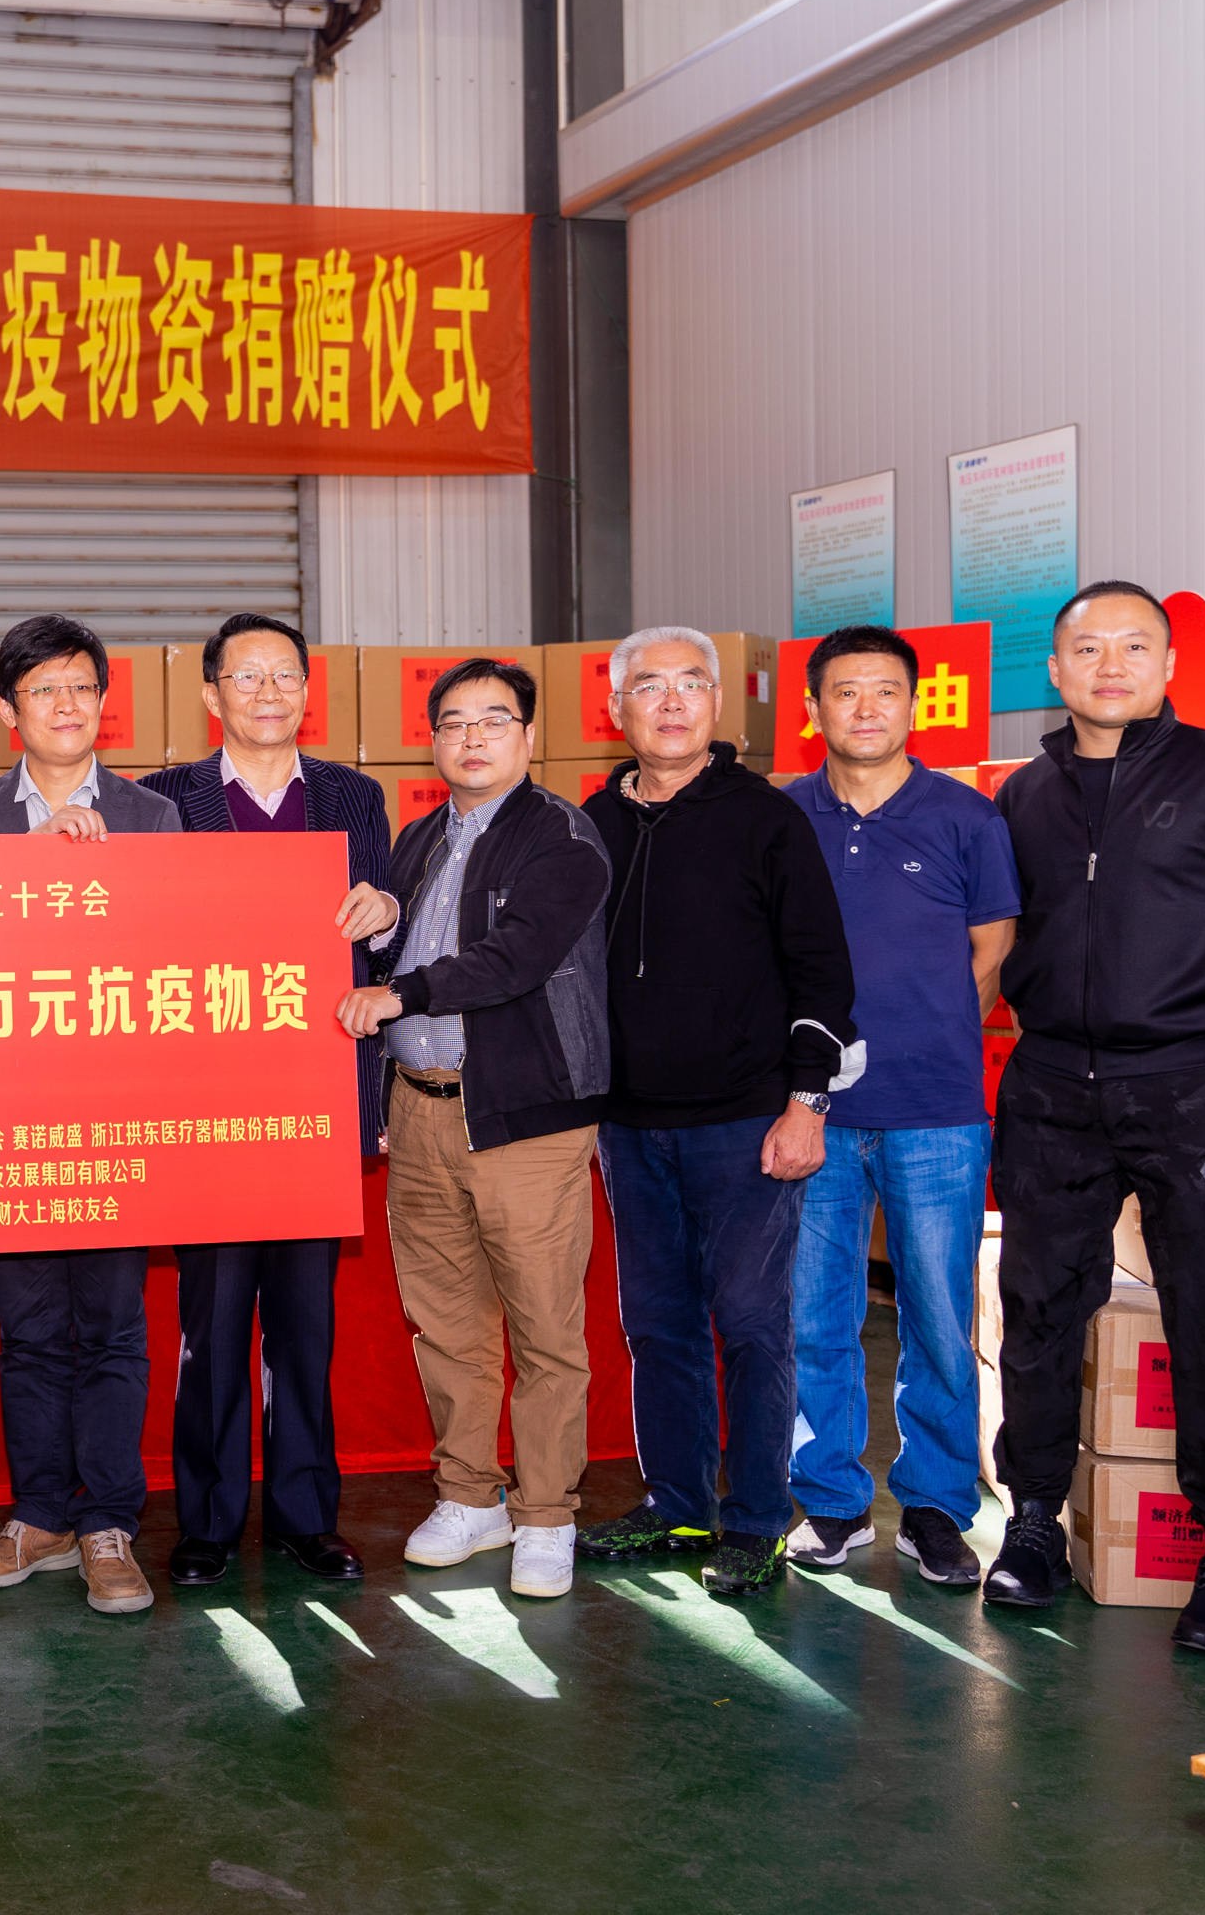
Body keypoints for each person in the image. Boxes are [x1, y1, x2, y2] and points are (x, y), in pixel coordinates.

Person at [982, 580, 1205, 1656]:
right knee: (1038, 1305)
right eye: (1088, 648)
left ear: (1170, 664)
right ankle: (1034, 1520)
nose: (1111, 665)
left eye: (1134, 646)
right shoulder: (1022, 794)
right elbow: (998, 940)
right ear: (1055, 669)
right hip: (1051, 1082)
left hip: (1192, 1083)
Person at [573, 627, 858, 1598]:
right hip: (628, 1124)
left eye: (690, 683)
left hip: (746, 1121)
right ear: (616, 707)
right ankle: (679, 1502)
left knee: (750, 1321)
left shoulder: (767, 819)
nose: (671, 702)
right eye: (648, 685)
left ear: (717, 703)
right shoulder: (593, 822)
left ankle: (758, 1518)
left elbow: (823, 970)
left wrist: (806, 1103)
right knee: (658, 1323)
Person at [337, 657, 611, 1600]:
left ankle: (546, 1512)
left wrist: (399, 992)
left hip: (524, 1118)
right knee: (446, 1321)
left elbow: (514, 959)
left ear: (529, 736)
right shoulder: (418, 838)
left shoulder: (561, 837)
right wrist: (379, 932)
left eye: (494, 721)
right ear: (433, 741)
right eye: (453, 723)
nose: (472, 738)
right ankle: (469, 1494)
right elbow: (392, 948)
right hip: (420, 1110)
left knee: (543, 1327)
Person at [141, 613, 391, 1588]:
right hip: (207, 1108)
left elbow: (381, 940)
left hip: (314, 1104)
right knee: (210, 1328)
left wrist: (388, 909)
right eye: (246, 676)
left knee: (303, 1326)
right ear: (212, 695)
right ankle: (206, 1521)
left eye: (285, 674)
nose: (268, 692)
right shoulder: (163, 799)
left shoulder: (353, 796)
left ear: (307, 690)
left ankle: (304, 1516)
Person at [0, 614, 182, 1616]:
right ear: (10, 710)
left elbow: (174, 953)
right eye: (44, 688)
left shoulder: (152, 817)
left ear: (104, 703)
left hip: (119, 1116)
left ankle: (108, 1523)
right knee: (32, 1328)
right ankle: (39, 1515)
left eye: (83, 686)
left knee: (115, 1325)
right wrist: (31, 863)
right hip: (6, 1118)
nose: (67, 704)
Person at [779, 626, 1019, 1588]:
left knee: (937, 1316)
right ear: (814, 710)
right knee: (814, 1314)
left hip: (936, 1110)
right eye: (846, 691)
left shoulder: (966, 817)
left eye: (885, 690)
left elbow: (991, 951)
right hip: (811, 1110)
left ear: (915, 704)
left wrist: (930, 1034)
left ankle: (935, 1506)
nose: (867, 708)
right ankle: (831, 1501)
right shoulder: (781, 815)